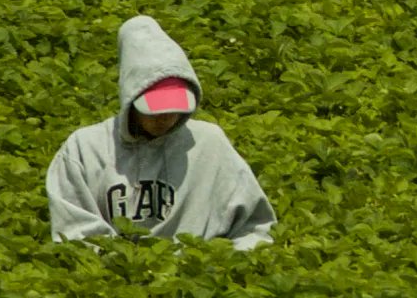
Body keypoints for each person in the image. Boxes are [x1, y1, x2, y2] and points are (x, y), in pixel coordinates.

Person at [46, 15, 277, 249]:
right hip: (111, 276)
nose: (165, 118)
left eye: (175, 109)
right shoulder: (86, 147)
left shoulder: (209, 144)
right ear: (131, 99)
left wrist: (223, 261)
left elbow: (255, 228)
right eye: (154, 110)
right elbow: (74, 229)